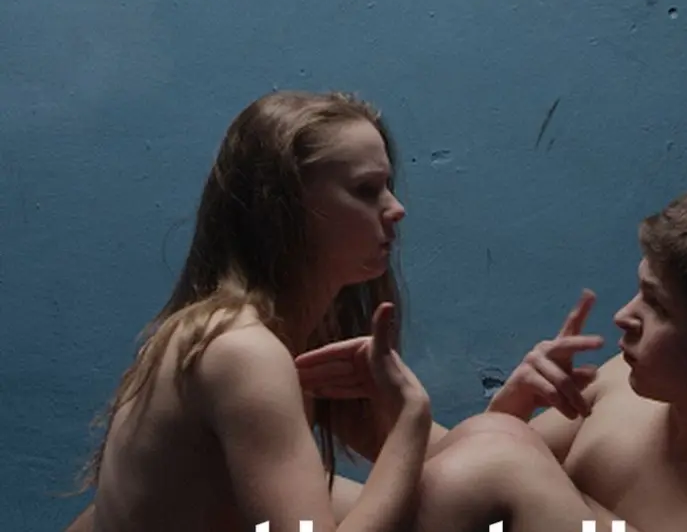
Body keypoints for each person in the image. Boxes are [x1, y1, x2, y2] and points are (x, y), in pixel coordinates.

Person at [300, 187, 687, 532]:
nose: (624, 316)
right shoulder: (623, 387)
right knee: (298, 491)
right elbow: (462, 494)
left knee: (504, 456)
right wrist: (507, 406)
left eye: (656, 305)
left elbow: (496, 472)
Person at [65, 90, 434, 532]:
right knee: (484, 477)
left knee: (488, 463)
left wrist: (509, 404)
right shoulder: (243, 352)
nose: (396, 208)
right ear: (285, 208)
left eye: (388, 187)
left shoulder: (270, 338)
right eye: (366, 190)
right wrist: (410, 423)